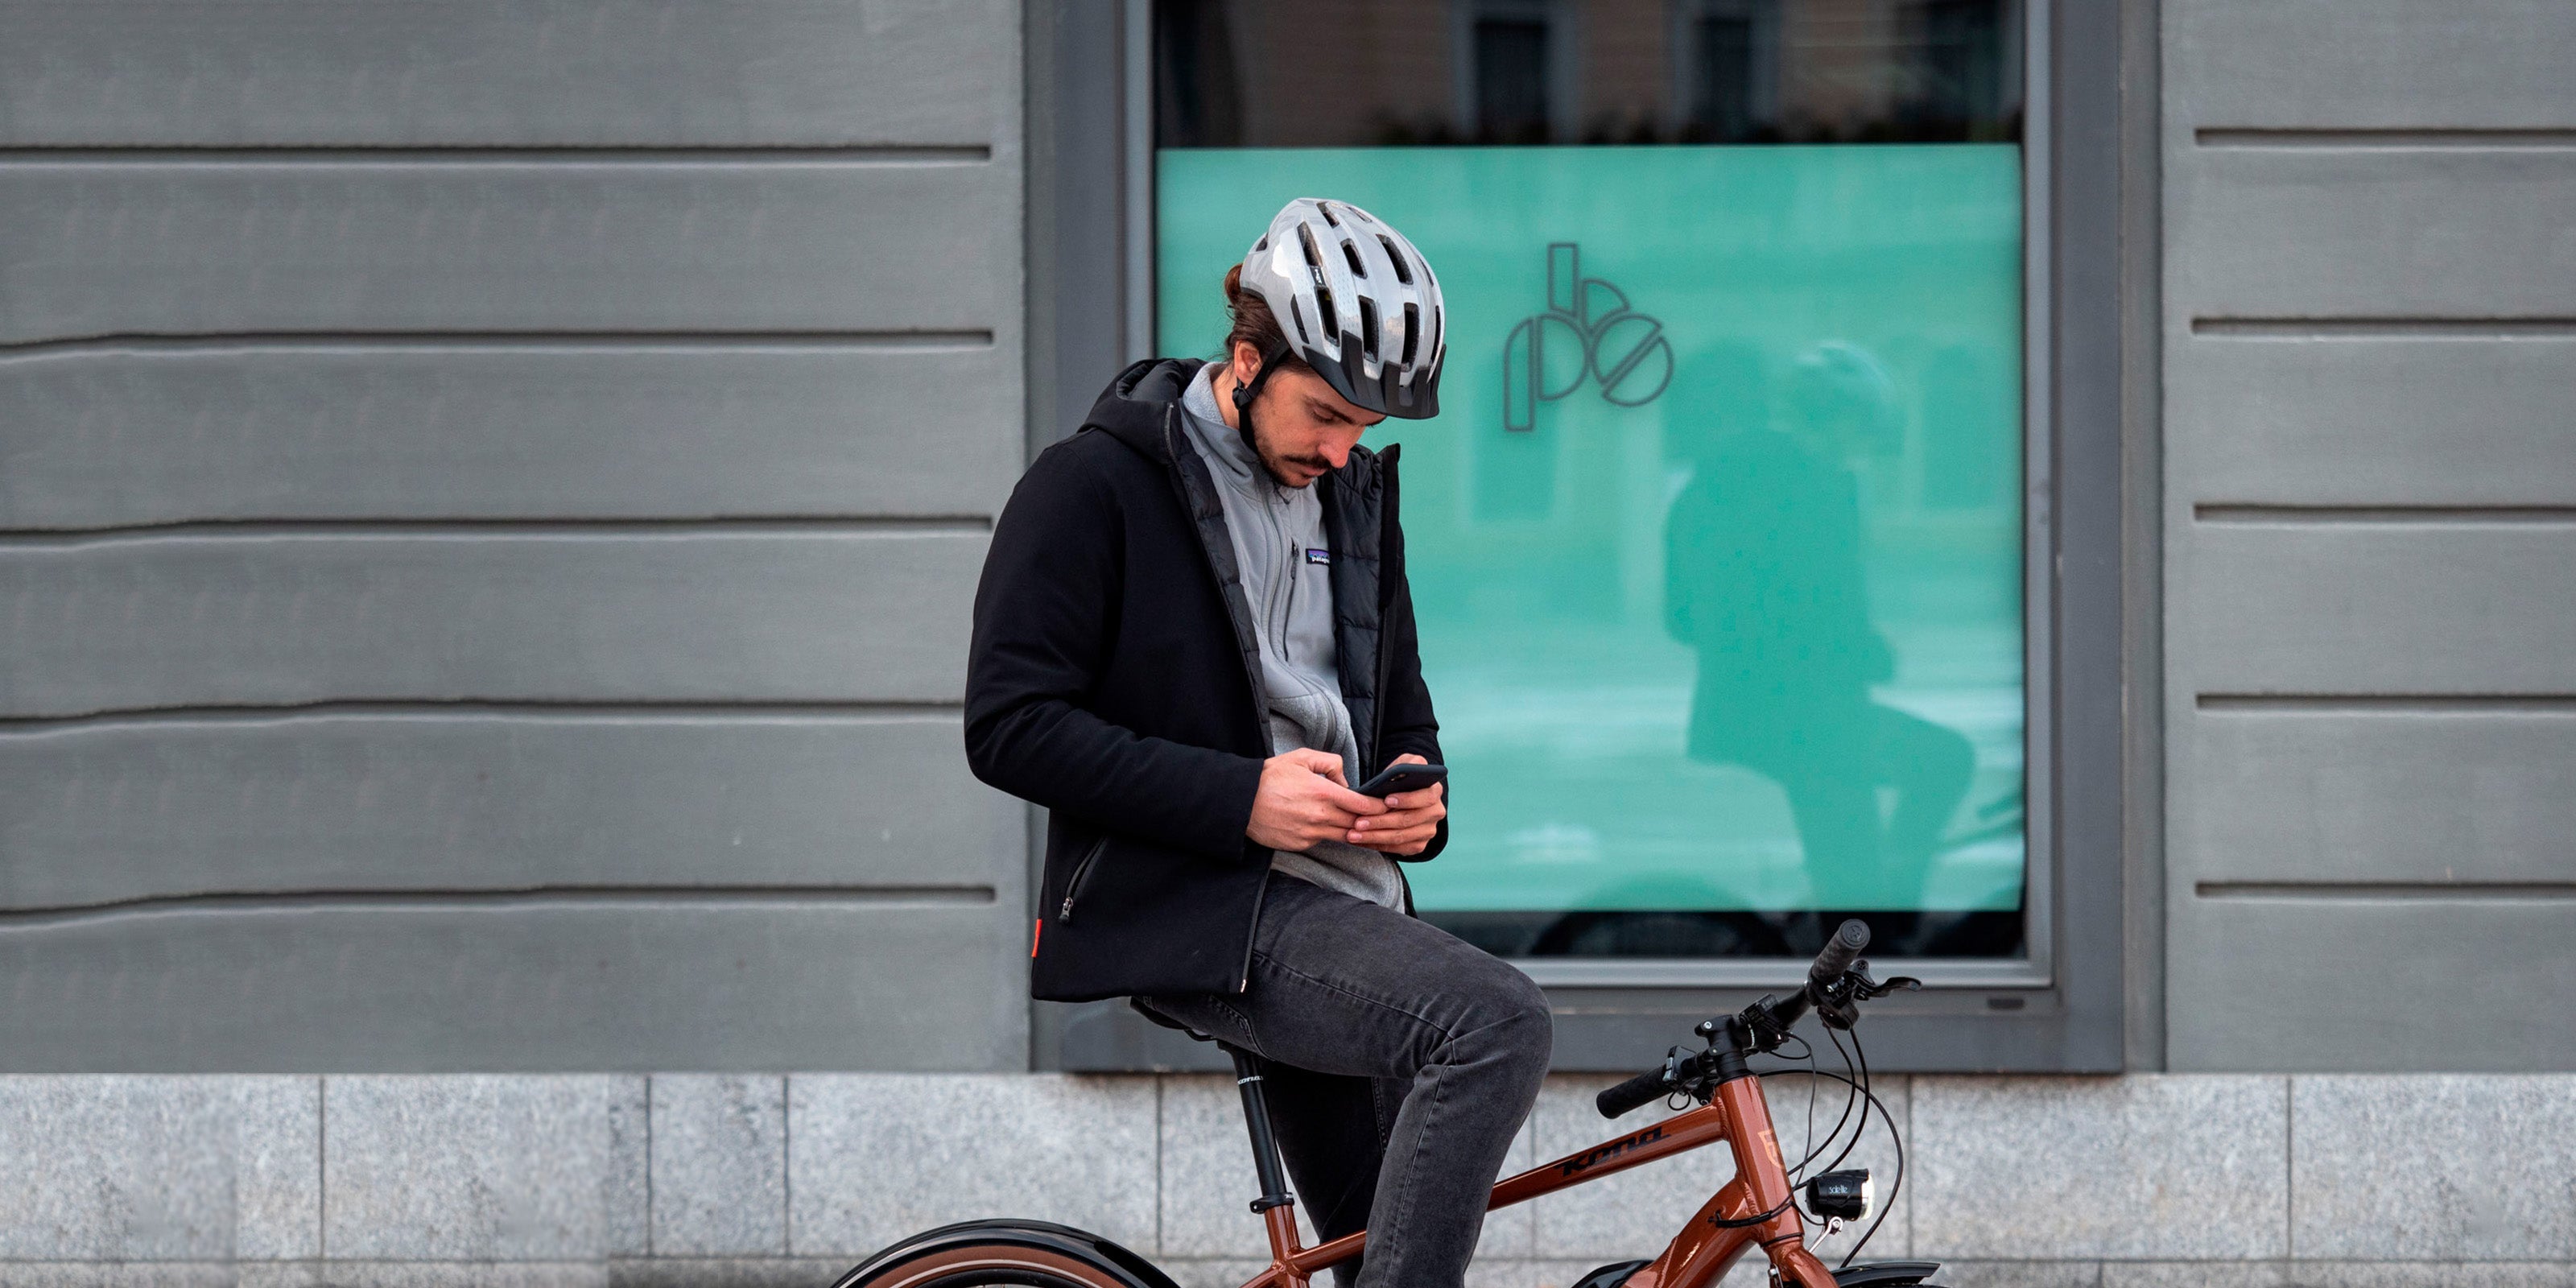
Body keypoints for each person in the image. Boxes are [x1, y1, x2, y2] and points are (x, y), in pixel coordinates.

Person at [965, 198, 1550, 1288]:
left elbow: (1396, 705)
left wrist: (1420, 800)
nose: (1343, 450)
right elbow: (1009, 730)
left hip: (1352, 902)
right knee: (1493, 1021)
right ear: (1247, 359)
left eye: (1367, 429)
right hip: (1207, 907)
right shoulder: (1091, 488)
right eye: (1327, 414)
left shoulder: (1353, 495)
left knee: (1381, 1258)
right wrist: (1244, 796)